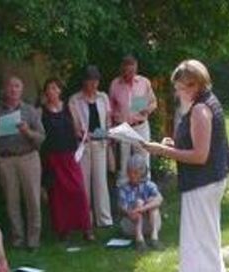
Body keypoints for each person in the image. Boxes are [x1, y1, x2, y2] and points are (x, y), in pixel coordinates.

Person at [143, 59, 229, 272]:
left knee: (200, 243)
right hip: (209, 180)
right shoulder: (207, 102)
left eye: (180, 87)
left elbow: (199, 155)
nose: (177, 92)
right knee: (208, 239)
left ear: (192, 85)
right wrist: (175, 142)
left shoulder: (200, 110)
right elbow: (196, 141)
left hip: (202, 182)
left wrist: (163, 150)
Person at [0, 76, 45, 249]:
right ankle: (18, 238)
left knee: (33, 200)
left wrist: (27, 132)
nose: (13, 90)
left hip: (28, 157)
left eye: (17, 86)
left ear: (21, 90)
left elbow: (41, 138)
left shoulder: (30, 111)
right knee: (11, 201)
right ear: (4, 90)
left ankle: (33, 240)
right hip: (7, 160)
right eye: (10, 86)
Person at [40, 78, 93, 241]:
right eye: (49, 89)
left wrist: (83, 134)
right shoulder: (41, 111)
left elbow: (77, 128)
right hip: (53, 157)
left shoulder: (69, 107)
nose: (52, 91)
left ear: (59, 91)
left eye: (55, 88)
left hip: (70, 155)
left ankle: (86, 228)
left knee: (78, 191)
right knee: (58, 195)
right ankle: (63, 230)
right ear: (45, 92)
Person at [69, 66, 113, 227]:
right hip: (84, 145)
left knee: (101, 182)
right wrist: (81, 133)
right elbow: (75, 123)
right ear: (84, 82)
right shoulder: (75, 100)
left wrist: (107, 134)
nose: (94, 84)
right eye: (90, 81)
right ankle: (86, 219)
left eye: (96, 81)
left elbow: (107, 119)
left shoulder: (103, 97)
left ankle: (104, 219)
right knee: (84, 183)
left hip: (100, 143)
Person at [109, 55, 157, 185]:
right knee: (123, 163)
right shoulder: (115, 84)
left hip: (140, 126)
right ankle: (124, 197)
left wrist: (147, 109)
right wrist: (112, 130)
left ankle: (146, 192)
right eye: (127, 71)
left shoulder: (144, 82)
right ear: (122, 70)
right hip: (123, 128)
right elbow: (110, 109)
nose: (130, 74)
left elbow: (153, 102)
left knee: (143, 160)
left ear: (136, 69)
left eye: (132, 71)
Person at [118, 154, 163, 250]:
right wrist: (131, 211)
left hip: (150, 222)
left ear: (142, 172)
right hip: (131, 224)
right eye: (130, 172)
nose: (131, 175)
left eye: (135, 172)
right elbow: (123, 207)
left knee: (151, 201)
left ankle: (154, 237)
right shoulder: (124, 188)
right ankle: (139, 240)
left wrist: (142, 208)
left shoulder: (149, 185)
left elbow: (159, 199)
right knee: (139, 202)